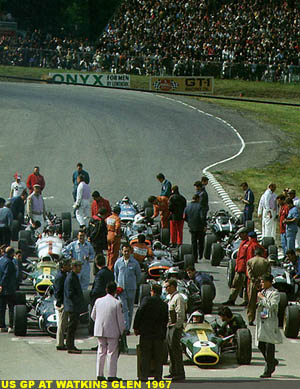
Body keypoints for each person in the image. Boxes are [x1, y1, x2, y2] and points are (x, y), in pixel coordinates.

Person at [133, 283, 168, 381]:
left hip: (146, 333)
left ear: (152, 291)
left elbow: (139, 313)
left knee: (145, 355)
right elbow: (165, 320)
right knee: (158, 356)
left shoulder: (146, 301)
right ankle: (158, 376)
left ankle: (144, 375)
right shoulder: (164, 304)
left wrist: (136, 327)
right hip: (158, 334)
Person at [91, 281, 125, 382]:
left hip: (100, 330)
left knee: (101, 352)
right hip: (113, 331)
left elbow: (93, 316)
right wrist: (122, 331)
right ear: (115, 291)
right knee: (112, 353)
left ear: (106, 290)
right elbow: (120, 320)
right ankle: (111, 375)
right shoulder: (117, 303)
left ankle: (99, 374)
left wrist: (99, 322)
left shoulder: (98, 301)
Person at [256, 274, 282, 378]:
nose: (261, 283)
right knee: (260, 344)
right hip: (263, 319)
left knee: (269, 346)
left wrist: (262, 298)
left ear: (269, 282)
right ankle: (272, 361)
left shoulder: (275, 293)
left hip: (270, 322)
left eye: (263, 281)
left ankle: (268, 370)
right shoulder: (263, 292)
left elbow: (272, 306)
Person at [114, 243, 141, 334]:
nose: (126, 253)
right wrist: (118, 285)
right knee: (124, 309)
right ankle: (125, 328)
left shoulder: (135, 263)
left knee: (130, 309)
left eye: (128, 251)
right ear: (122, 251)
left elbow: (138, 276)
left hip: (131, 290)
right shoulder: (118, 262)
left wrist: (133, 284)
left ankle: (128, 327)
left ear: (130, 252)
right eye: (124, 251)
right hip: (121, 290)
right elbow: (116, 274)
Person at [164, 278, 185, 381]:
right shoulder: (170, 298)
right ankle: (173, 371)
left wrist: (176, 327)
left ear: (172, 286)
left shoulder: (178, 298)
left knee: (176, 350)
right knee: (170, 350)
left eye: (167, 287)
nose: (165, 289)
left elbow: (180, 314)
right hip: (169, 326)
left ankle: (179, 372)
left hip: (175, 327)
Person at [222, 227, 250, 306]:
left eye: (241, 234)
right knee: (235, 285)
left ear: (245, 234)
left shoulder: (249, 244)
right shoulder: (242, 243)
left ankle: (246, 301)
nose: (240, 236)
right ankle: (231, 300)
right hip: (239, 268)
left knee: (246, 286)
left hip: (245, 269)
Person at [64, 259, 85, 354]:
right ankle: (70, 346)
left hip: (74, 306)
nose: (80, 268)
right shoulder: (71, 277)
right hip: (72, 306)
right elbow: (70, 293)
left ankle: (71, 345)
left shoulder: (74, 276)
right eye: (79, 266)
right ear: (74, 267)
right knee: (71, 327)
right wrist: (78, 301)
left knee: (73, 327)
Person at [246, 247, 271, 325]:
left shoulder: (250, 261)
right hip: (263, 283)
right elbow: (268, 273)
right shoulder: (266, 262)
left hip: (253, 283)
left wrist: (254, 279)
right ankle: (263, 319)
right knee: (264, 301)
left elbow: (249, 273)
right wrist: (261, 280)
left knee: (251, 302)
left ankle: (250, 319)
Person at [53, 258, 71, 350]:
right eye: (68, 265)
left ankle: (61, 342)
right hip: (62, 303)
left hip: (62, 301)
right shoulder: (61, 277)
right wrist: (60, 303)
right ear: (63, 266)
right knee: (61, 324)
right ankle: (60, 343)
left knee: (63, 323)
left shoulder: (62, 275)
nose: (69, 267)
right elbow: (58, 291)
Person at [183, 194, 206, 262]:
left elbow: (184, 217)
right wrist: (204, 225)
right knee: (201, 241)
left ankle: (194, 257)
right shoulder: (200, 206)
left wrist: (189, 222)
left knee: (194, 243)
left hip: (192, 227)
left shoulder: (187, 207)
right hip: (200, 227)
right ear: (198, 199)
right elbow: (202, 217)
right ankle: (200, 254)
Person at [0, 247, 17, 332]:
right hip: (9, 288)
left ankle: (2, 325)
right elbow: (6, 275)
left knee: (2, 308)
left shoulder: (1, 260)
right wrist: (2, 284)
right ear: (11, 253)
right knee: (11, 307)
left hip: (1, 288)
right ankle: (10, 326)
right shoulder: (9, 262)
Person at [106, 205, 121, 271]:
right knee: (114, 253)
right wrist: (117, 233)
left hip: (108, 234)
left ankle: (107, 264)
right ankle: (111, 268)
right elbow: (117, 227)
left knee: (109, 252)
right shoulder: (117, 218)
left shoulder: (108, 218)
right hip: (114, 236)